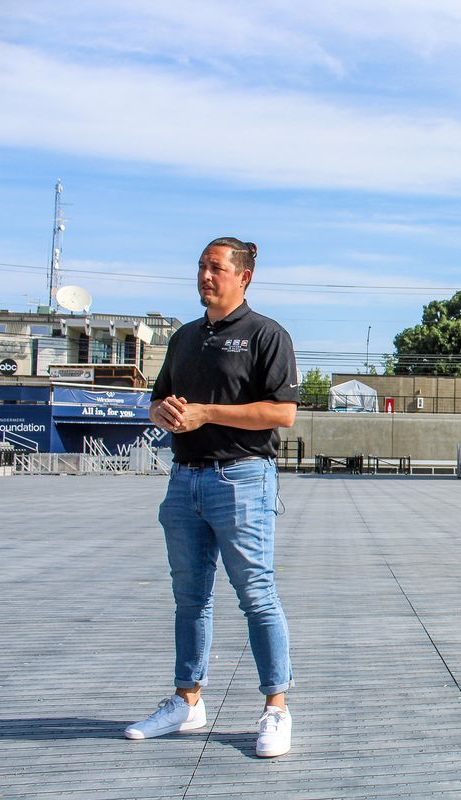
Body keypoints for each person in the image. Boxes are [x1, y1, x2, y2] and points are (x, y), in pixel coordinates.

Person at [124, 237, 299, 758]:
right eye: (201, 266)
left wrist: (206, 413)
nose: (205, 275)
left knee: (257, 596)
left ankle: (276, 708)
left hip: (242, 479)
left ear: (243, 277)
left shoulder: (266, 335)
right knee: (189, 598)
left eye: (216, 268)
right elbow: (158, 398)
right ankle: (187, 701)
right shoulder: (183, 339)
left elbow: (282, 413)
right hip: (185, 480)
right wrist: (164, 414)